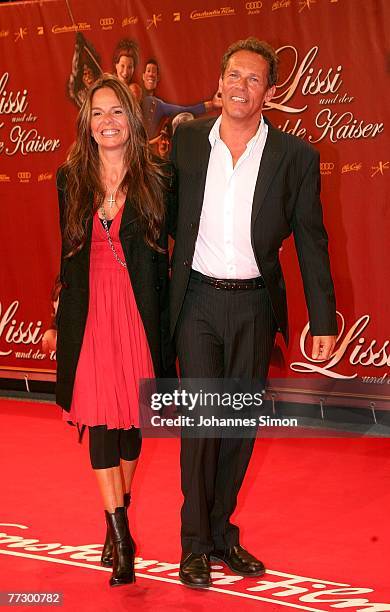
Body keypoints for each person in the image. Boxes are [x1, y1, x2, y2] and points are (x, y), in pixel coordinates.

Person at [169, 37, 337, 588]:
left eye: (255, 79)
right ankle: (193, 543)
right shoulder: (188, 141)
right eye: (234, 75)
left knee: (237, 424)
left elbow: (312, 242)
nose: (243, 86)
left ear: (271, 91)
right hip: (195, 300)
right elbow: (166, 220)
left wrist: (324, 318)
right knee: (201, 423)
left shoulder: (296, 157)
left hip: (255, 305)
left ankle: (221, 535)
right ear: (219, 83)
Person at [56, 74, 174, 587]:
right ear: (87, 123)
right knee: (101, 424)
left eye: (116, 112)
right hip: (90, 313)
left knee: (131, 428)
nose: (108, 121)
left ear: (132, 117)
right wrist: (56, 314)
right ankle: (121, 535)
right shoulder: (69, 179)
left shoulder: (159, 178)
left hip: (140, 312)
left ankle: (114, 514)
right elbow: (68, 251)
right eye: (97, 113)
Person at [140, 59, 220, 140]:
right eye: (148, 71)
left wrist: (212, 104)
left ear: (158, 78)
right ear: (143, 76)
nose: (151, 74)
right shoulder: (133, 95)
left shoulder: (158, 105)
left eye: (154, 71)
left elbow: (187, 110)